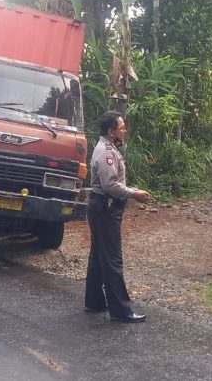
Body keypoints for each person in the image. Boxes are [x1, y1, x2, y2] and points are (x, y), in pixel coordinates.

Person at [84, 111, 151, 323]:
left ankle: (94, 300)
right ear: (111, 131)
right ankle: (121, 310)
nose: (125, 130)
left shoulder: (108, 148)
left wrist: (131, 189)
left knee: (98, 255)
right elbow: (110, 185)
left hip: (101, 206)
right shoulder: (106, 152)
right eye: (121, 127)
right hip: (105, 208)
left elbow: (113, 182)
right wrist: (134, 194)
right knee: (112, 259)